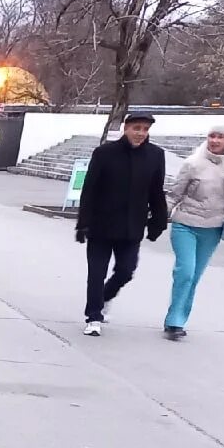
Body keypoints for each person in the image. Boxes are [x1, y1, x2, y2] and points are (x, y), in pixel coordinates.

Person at [75, 111, 168, 337]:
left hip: (131, 226)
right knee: (96, 273)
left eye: (145, 130)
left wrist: (158, 221)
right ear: (126, 128)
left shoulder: (155, 155)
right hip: (101, 225)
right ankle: (93, 316)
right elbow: (90, 190)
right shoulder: (105, 153)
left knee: (126, 270)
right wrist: (83, 223)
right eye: (137, 128)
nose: (141, 134)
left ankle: (105, 297)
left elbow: (156, 191)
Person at [162, 122, 224, 340]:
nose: (215, 141)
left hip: (213, 228)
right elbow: (175, 193)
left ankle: (178, 319)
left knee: (195, 277)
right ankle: (174, 321)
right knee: (185, 272)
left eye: (220, 137)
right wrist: (161, 216)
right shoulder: (193, 163)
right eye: (212, 136)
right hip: (185, 224)